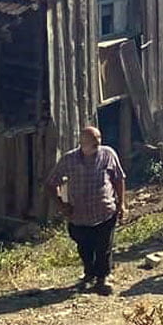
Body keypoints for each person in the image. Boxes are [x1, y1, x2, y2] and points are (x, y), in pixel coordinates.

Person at [45, 126, 126, 296]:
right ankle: (89, 273)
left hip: (104, 211)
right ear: (82, 143)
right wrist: (62, 205)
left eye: (99, 141)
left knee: (104, 246)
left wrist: (121, 204)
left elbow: (118, 178)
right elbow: (51, 184)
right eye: (93, 143)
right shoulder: (69, 160)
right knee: (84, 246)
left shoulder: (108, 154)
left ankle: (103, 278)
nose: (98, 145)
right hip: (79, 215)